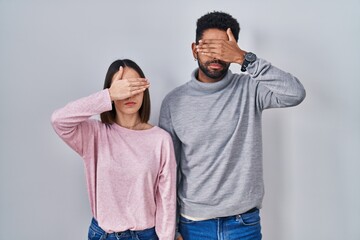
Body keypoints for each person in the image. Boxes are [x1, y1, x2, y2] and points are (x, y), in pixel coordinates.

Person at [159, 11, 306, 240]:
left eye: (223, 49)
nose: (216, 56)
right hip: (193, 224)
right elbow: (168, 171)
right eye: (209, 48)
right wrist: (170, 228)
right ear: (194, 49)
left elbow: (295, 93)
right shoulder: (174, 102)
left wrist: (245, 59)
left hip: (243, 223)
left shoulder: (250, 89)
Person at [51, 59, 177, 240]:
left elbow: (167, 201)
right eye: (122, 88)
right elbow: (58, 120)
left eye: (133, 86)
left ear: (144, 89)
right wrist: (108, 96)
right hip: (103, 234)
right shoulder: (94, 134)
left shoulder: (160, 140)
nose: (129, 94)